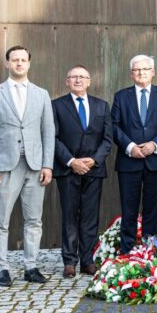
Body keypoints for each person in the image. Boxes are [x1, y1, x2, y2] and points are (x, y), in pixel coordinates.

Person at [0, 46, 55, 287]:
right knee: (0, 220)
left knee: (34, 219)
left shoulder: (41, 94)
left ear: (29, 64)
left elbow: (49, 132)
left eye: (24, 60)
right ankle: (1, 268)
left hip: (35, 165)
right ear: (7, 63)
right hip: (5, 166)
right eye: (15, 60)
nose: (19, 64)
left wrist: (48, 164)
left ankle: (30, 266)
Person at [112, 54, 157, 254]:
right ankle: (126, 252)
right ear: (131, 74)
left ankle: (150, 252)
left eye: (145, 69)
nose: (141, 73)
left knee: (152, 208)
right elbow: (113, 125)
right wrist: (130, 146)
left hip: (156, 161)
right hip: (128, 161)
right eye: (137, 70)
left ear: (153, 72)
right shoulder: (121, 96)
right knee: (128, 209)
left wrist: (154, 144)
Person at [52, 65, 113, 278]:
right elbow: (53, 137)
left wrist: (94, 160)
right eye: (73, 77)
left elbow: (107, 139)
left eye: (82, 77)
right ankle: (69, 261)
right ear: (67, 81)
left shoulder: (102, 106)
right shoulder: (56, 106)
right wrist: (71, 161)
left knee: (90, 216)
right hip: (67, 169)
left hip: (93, 169)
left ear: (89, 81)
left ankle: (87, 260)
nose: (78, 80)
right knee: (69, 215)